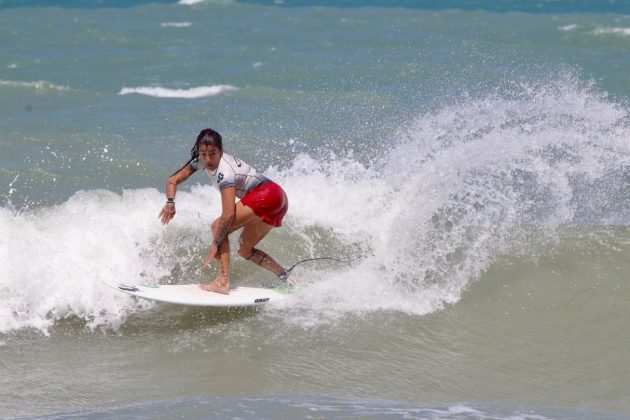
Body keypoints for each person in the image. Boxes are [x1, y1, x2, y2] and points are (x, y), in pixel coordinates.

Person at [158, 128, 289, 295]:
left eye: (212, 154)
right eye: (203, 154)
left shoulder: (225, 171)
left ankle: (222, 282)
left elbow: (228, 215)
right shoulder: (199, 160)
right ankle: (285, 276)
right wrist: (170, 202)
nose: (208, 159)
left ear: (221, 151)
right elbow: (172, 180)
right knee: (245, 249)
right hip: (278, 198)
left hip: (266, 195)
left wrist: (215, 244)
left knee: (218, 226)